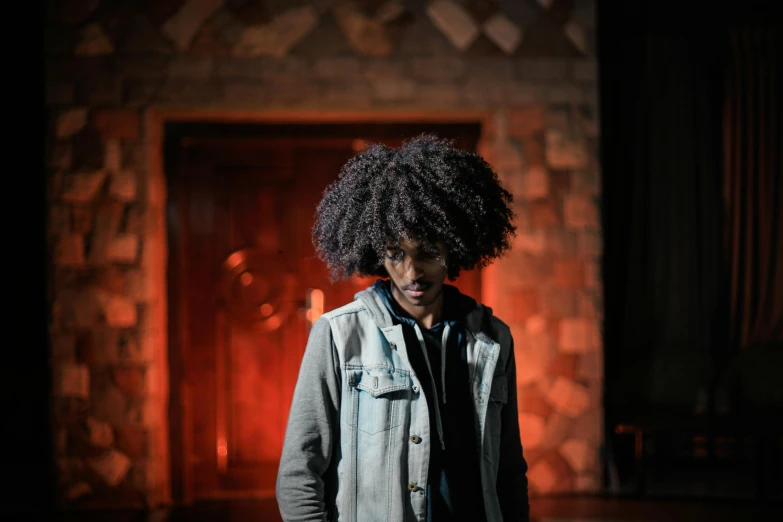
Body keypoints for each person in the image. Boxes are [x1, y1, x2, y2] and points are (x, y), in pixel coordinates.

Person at [276, 134, 529, 521]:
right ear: (377, 252)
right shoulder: (338, 336)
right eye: (396, 254)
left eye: (428, 252)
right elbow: (300, 472)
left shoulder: (493, 339)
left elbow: (508, 470)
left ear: (454, 247)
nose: (412, 272)